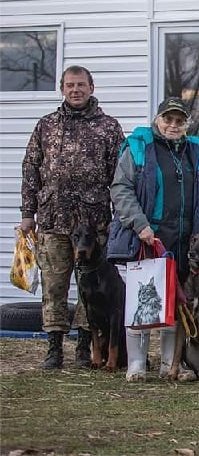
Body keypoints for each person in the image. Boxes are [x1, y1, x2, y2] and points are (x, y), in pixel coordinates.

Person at [19, 66, 125, 369]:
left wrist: (119, 219)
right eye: (69, 85)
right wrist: (28, 214)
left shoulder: (108, 127)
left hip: (94, 225)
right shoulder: (46, 125)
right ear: (61, 89)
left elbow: (119, 177)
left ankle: (84, 346)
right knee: (54, 285)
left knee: (91, 288)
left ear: (91, 87)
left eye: (81, 84)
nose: (75, 90)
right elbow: (31, 171)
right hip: (53, 220)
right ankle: (54, 348)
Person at [109, 99, 199, 381]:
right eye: (168, 119)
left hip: (183, 241)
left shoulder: (194, 151)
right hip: (147, 237)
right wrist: (140, 226)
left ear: (186, 124)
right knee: (140, 300)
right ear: (157, 119)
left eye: (180, 120)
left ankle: (171, 364)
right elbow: (121, 189)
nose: (173, 125)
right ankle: (137, 366)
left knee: (175, 303)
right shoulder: (139, 147)